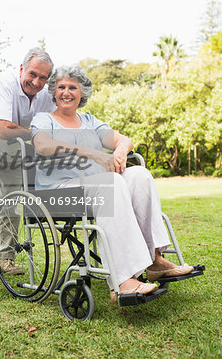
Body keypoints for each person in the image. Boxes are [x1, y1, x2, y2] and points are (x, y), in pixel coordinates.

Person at [31, 66, 194, 300]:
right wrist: (91, 153)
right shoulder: (44, 119)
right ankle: (123, 281)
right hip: (58, 191)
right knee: (112, 184)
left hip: (94, 185)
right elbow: (43, 146)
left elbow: (124, 140)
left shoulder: (89, 121)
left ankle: (154, 260)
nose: (66, 92)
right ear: (54, 92)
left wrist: (119, 151)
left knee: (139, 175)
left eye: (72, 87)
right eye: (61, 87)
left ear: (82, 93)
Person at [0, 47, 56, 287]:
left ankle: (6, 256)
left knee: (11, 202)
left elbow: (53, 125)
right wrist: (37, 135)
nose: (36, 82)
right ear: (21, 69)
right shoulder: (3, 84)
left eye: (43, 77)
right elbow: (3, 129)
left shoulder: (45, 94)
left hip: (15, 151)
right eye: (33, 74)